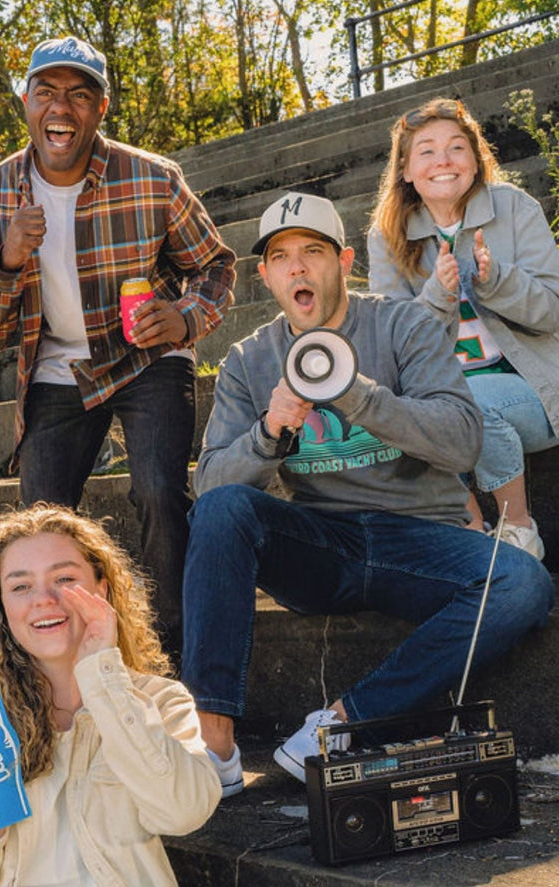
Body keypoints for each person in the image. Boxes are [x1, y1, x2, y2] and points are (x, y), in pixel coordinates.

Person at [184, 191, 553, 795]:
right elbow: (210, 489)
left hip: (421, 538)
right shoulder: (249, 361)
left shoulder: (401, 323)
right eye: (281, 257)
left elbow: (463, 443)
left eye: (313, 251)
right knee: (224, 509)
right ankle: (215, 746)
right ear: (266, 275)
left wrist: (357, 394)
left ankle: (343, 723)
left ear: (344, 260)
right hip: (324, 542)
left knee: (524, 584)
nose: (298, 267)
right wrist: (269, 432)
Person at [0, 35, 235, 644]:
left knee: (162, 491)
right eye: (46, 93)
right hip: (56, 368)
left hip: (146, 358)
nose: (61, 109)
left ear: (101, 108)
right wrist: (7, 260)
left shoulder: (153, 178)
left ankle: (168, 656)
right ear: (26, 103)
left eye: (79, 95)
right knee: (40, 522)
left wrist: (185, 318)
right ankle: (58, 660)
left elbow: (216, 266)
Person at [0, 504, 220, 886]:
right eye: (20, 586)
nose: (43, 598)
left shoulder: (159, 700)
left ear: (102, 589)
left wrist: (104, 681)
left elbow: (184, 812)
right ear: (2, 607)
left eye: (64, 579)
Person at [367, 96, 559, 559]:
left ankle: (518, 528)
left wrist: (497, 282)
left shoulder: (514, 208)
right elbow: (391, 344)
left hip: (534, 389)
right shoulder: (387, 235)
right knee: (406, 410)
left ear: (476, 161)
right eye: (427, 151)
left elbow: (555, 309)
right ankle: (471, 528)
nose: (443, 161)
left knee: (462, 404)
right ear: (407, 171)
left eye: (456, 147)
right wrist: (437, 296)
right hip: (442, 399)